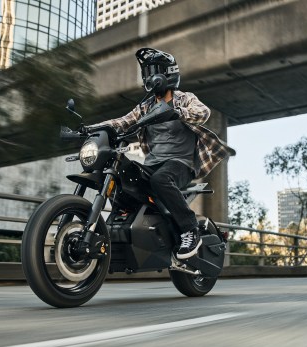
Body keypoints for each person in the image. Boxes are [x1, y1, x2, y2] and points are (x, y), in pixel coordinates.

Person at [92, 48, 235, 260]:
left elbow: (203, 113)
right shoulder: (145, 107)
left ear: (168, 73)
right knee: (122, 176)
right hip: (152, 163)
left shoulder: (184, 99)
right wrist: (90, 128)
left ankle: (190, 229)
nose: (149, 77)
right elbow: (122, 122)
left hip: (181, 163)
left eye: (154, 71)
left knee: (161, 179)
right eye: (146, 72)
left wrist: (179, 112)